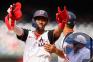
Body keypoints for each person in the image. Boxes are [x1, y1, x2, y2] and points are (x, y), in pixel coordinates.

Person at [4, 2, 69, 62]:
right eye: (38, 19)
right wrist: (12, 18)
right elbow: (14, 28)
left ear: (47, 22)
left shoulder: (49, 35)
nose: (41, 22)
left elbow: (59, 30)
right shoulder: (27, 34)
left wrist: (62, 22)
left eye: (43, 19)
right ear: (34, 20)